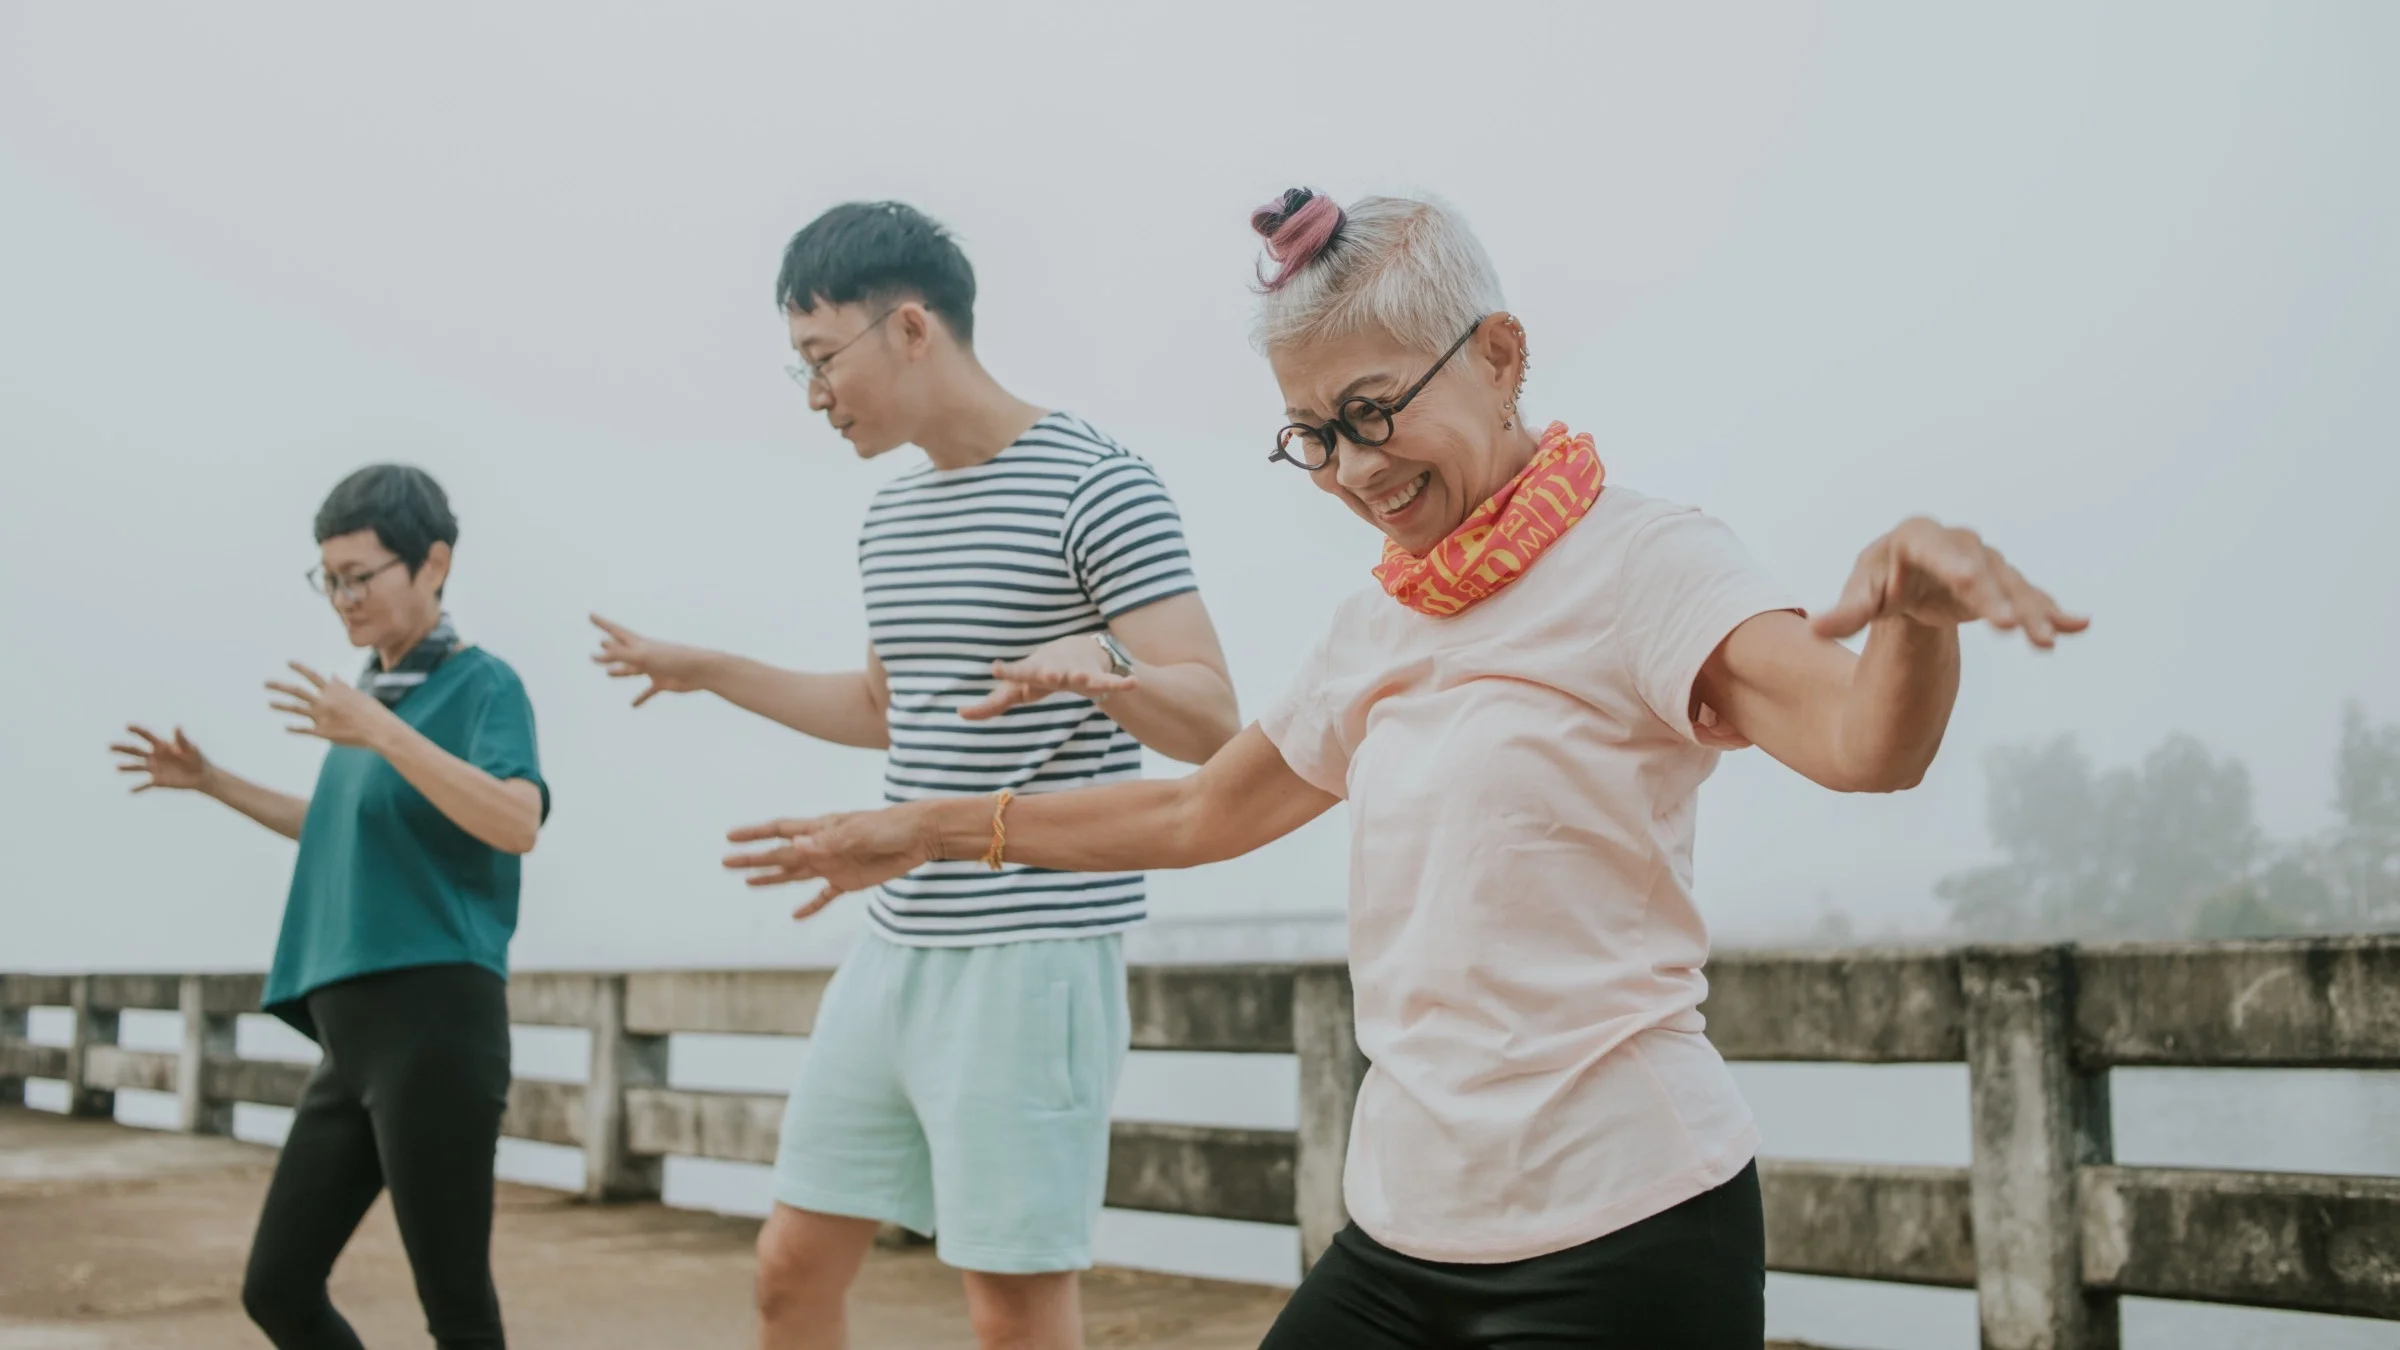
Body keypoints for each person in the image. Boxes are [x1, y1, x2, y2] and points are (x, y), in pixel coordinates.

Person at [717, 189, 2087, 1350]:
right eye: (1313, 433)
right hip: (1404, 1233)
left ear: (1500, 355)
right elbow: (1207, 805)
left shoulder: (1645, 562)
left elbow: (1866, 744)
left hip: (1624, 1228)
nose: (1351, 469)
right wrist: (929, 831)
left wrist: (1911, 619)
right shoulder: (1386, 617)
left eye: (1371, 412)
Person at [589, 200, 1240, 1350]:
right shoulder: (889, 520)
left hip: (1032, 953)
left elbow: (1212, 722)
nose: (813, 395)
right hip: (897, 944)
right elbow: (891, 711)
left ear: (909, 328)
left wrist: (1109, 662)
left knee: (1011, 1313)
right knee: (791, 1268)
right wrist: (713, 670)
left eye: (818, 359)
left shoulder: (1099, 484)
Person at [111, 465, 548, 1350]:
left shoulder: (478, 686)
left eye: (361, 576)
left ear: (433, 564)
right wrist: (212, 782)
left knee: (456, 1307)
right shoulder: (371, 699)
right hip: (353, 1038)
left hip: (435, 1021)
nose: (342, 598)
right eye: (330, 579)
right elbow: (339, 829)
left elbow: (516, 819)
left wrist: (381, 729)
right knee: (276, 1288)